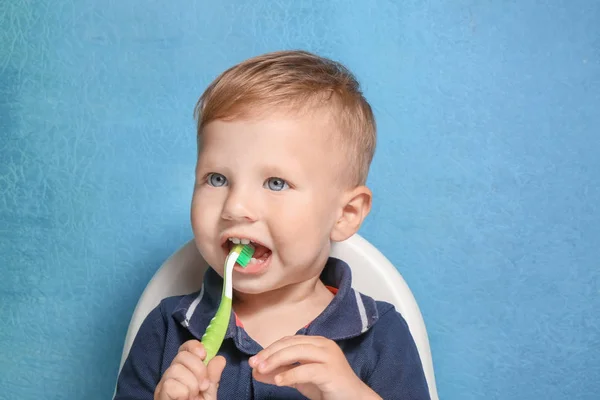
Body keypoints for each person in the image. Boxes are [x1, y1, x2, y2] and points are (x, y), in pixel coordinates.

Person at [114, 50, 430, 400]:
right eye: (217, 178)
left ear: (346, 214)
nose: (235, 207)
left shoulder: (381, 335)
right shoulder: (168, 329)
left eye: (276, 183)